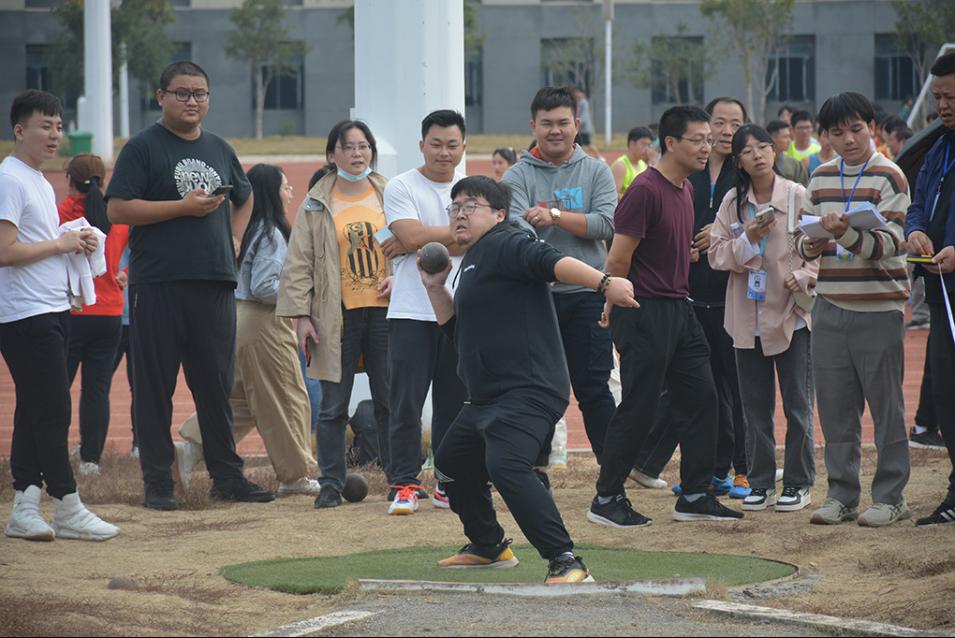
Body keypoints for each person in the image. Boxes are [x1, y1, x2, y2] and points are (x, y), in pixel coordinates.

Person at [424, 175, 637, 582]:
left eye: (471, 205)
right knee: (451, 463)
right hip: (488, 396)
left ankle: (566, 560)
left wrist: (605, 282)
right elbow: (460, 333)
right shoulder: (471, 262)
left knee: (505, 464)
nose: (460, 214)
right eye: (455, 207)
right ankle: (490, 546)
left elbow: (551, 262)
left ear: (499, 214)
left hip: (527, 388)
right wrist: (435, 287)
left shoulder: (506, 242)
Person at [106, 61, 273, 510]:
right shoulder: (142, 149)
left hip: (214, 281)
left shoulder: (220, 147)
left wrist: (235, 237)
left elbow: (245, 194)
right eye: (182, 93)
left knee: (215, 385)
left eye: (200, 93)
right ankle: (158, 482)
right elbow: (118, 210)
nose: (192, 101)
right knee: (154, 386)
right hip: (158, 282)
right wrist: (180, 208)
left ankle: (227, 477)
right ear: (161, 96)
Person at [588, 105, 744, 527]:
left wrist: (690, 251)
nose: (707, 147)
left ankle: (694, 493)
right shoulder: (645, 190)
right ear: (670, 143)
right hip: (643, 311)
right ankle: (606, 499)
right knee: (639, 405)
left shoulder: (686, 190)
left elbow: (665, 249)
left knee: (703, 399)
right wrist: (609, 304)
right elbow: (618, 258)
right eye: (698, 139)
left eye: (709, 140)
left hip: (681, 308)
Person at [1, 90, 118, 541]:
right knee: (53, 408)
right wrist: (62, 244)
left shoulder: (36, 179)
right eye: (44, 126)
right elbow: (6, 251)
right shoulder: (10, 179)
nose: (55, 134)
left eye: (58, 125)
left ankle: (25, 505)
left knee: (35, 408)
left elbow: (40, 242)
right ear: (19, 130)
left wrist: (75, 238)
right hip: (25, 314)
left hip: (49, 307)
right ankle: (67, 504)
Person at [797, 91, 912, 527]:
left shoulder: (890, 178)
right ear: (825, 136)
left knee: (886, 407)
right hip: (829, 307)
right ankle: (841, 495)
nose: (848, 139)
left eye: (856, 129)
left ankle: (891, 496)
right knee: (834, 408)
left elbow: (888, 244)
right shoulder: (820, 177)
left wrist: (843, 235)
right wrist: (811, 239)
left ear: (873, 128)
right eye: (838, 132)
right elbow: (802, 239)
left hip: (878, 308)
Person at [631, 97, 750, 500]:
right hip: (686, 292)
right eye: (719, 122)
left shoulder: (748, 171)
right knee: (695, 387)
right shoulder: (686, 174)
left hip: (733, 291)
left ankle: (743, 470)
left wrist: (723, 239)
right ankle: (702, 470)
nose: (726, 131)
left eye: (736, 123)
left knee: (734, 385)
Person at [177, 163, 319, 496]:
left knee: (241, 400)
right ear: (272, 192)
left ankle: (192, 446)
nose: (290, 192)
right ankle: (294, 475)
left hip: (236, 319)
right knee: (286, 397)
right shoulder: (271, 232)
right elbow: (264, 285)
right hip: (263, 323)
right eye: (285, 187)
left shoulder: (247, 229)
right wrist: (302, 293)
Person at [277, 121, 396, 508]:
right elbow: (299, 263)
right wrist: (302, 315)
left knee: (390, 400)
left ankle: (402, 480)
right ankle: (330, 484)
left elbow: (408, 244)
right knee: (332, 406)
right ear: (332, 154)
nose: (358, 154)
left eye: (365, 146)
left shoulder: (388, 193)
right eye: (349, 147)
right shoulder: (316, 201)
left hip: (384, 313)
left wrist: (401, 279)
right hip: (336, 315)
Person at [502, 86, 617, 464]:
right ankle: (534, 474)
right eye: (547, 123)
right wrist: (570, 225)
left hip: (588, 295)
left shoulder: (596, 171)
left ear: (576, 124)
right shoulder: (517, 176)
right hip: (537, 298)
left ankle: (611, 475)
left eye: (563, 123)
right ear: (533, 126)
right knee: (537, 390)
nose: (555, 131)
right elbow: (517, 231)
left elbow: (606, 224)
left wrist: (552, 216)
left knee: (594, 389)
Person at [709, 124, 818, 512]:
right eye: (748, 150)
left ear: (774, 152)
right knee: (753, 406)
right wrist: (749, 238)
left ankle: (799, 482)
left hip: (789, 314)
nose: (757, 155)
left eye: (763, 147)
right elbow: (717, 255)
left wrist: (805, 276)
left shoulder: (796, 195)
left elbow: (816, 247)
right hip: (745, 317)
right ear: (737, 160)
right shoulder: (732, 203)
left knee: (797, 404)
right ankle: (760, 482)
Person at [382, 110, 469, 515]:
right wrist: (449, 238)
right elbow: (413, 236)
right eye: (436, 144)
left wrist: (419, 241)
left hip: (457, 309)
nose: (444, 152)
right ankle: (404, 482)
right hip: (411, 312)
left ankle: (449, 483)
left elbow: (481, 237)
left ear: (464, 147)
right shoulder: (401, 186)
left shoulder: (470, 190)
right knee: (406, 403)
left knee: (454, 402)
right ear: (422, 145)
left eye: (452, 145)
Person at [904, 51, 955, 526]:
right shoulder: (938, 148)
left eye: (951, 96)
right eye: (938, 96)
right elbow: (918, 203)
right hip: (940, 290)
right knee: (945, 390)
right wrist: (915, 231)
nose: (943, 105)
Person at [58, 153, 129, 477]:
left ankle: (53, 452)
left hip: (73, 310)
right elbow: (140, 251)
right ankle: (90, 460)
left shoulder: (60, 214)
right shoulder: (118, 217)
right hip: (110, 312)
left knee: (58, 386)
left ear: (70, 179)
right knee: (96, 390)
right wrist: (123, 272)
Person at [611, 127, 652, 200]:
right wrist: (635, 202)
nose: (647, 149)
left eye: (649, 145)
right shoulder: (620, 166)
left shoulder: (644, 165)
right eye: (643, 144)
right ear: (632, 144)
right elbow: (613, 194)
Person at [768, 120, 809, 186]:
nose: (789, 141)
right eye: (785, 137)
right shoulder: (761, 163)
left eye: (789, 137)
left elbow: (804, 189)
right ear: (772, 139)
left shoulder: (795, 164)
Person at [572, 88, 604, 161]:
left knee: (588, 144)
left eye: (579, 93)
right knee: (579, 145)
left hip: (583, 128)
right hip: (579, 128)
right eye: (576, 93)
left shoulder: (584, 103)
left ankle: (598, 156)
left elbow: (584, 117)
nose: (577, 94)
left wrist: (578, 125)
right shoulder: (578, 102)